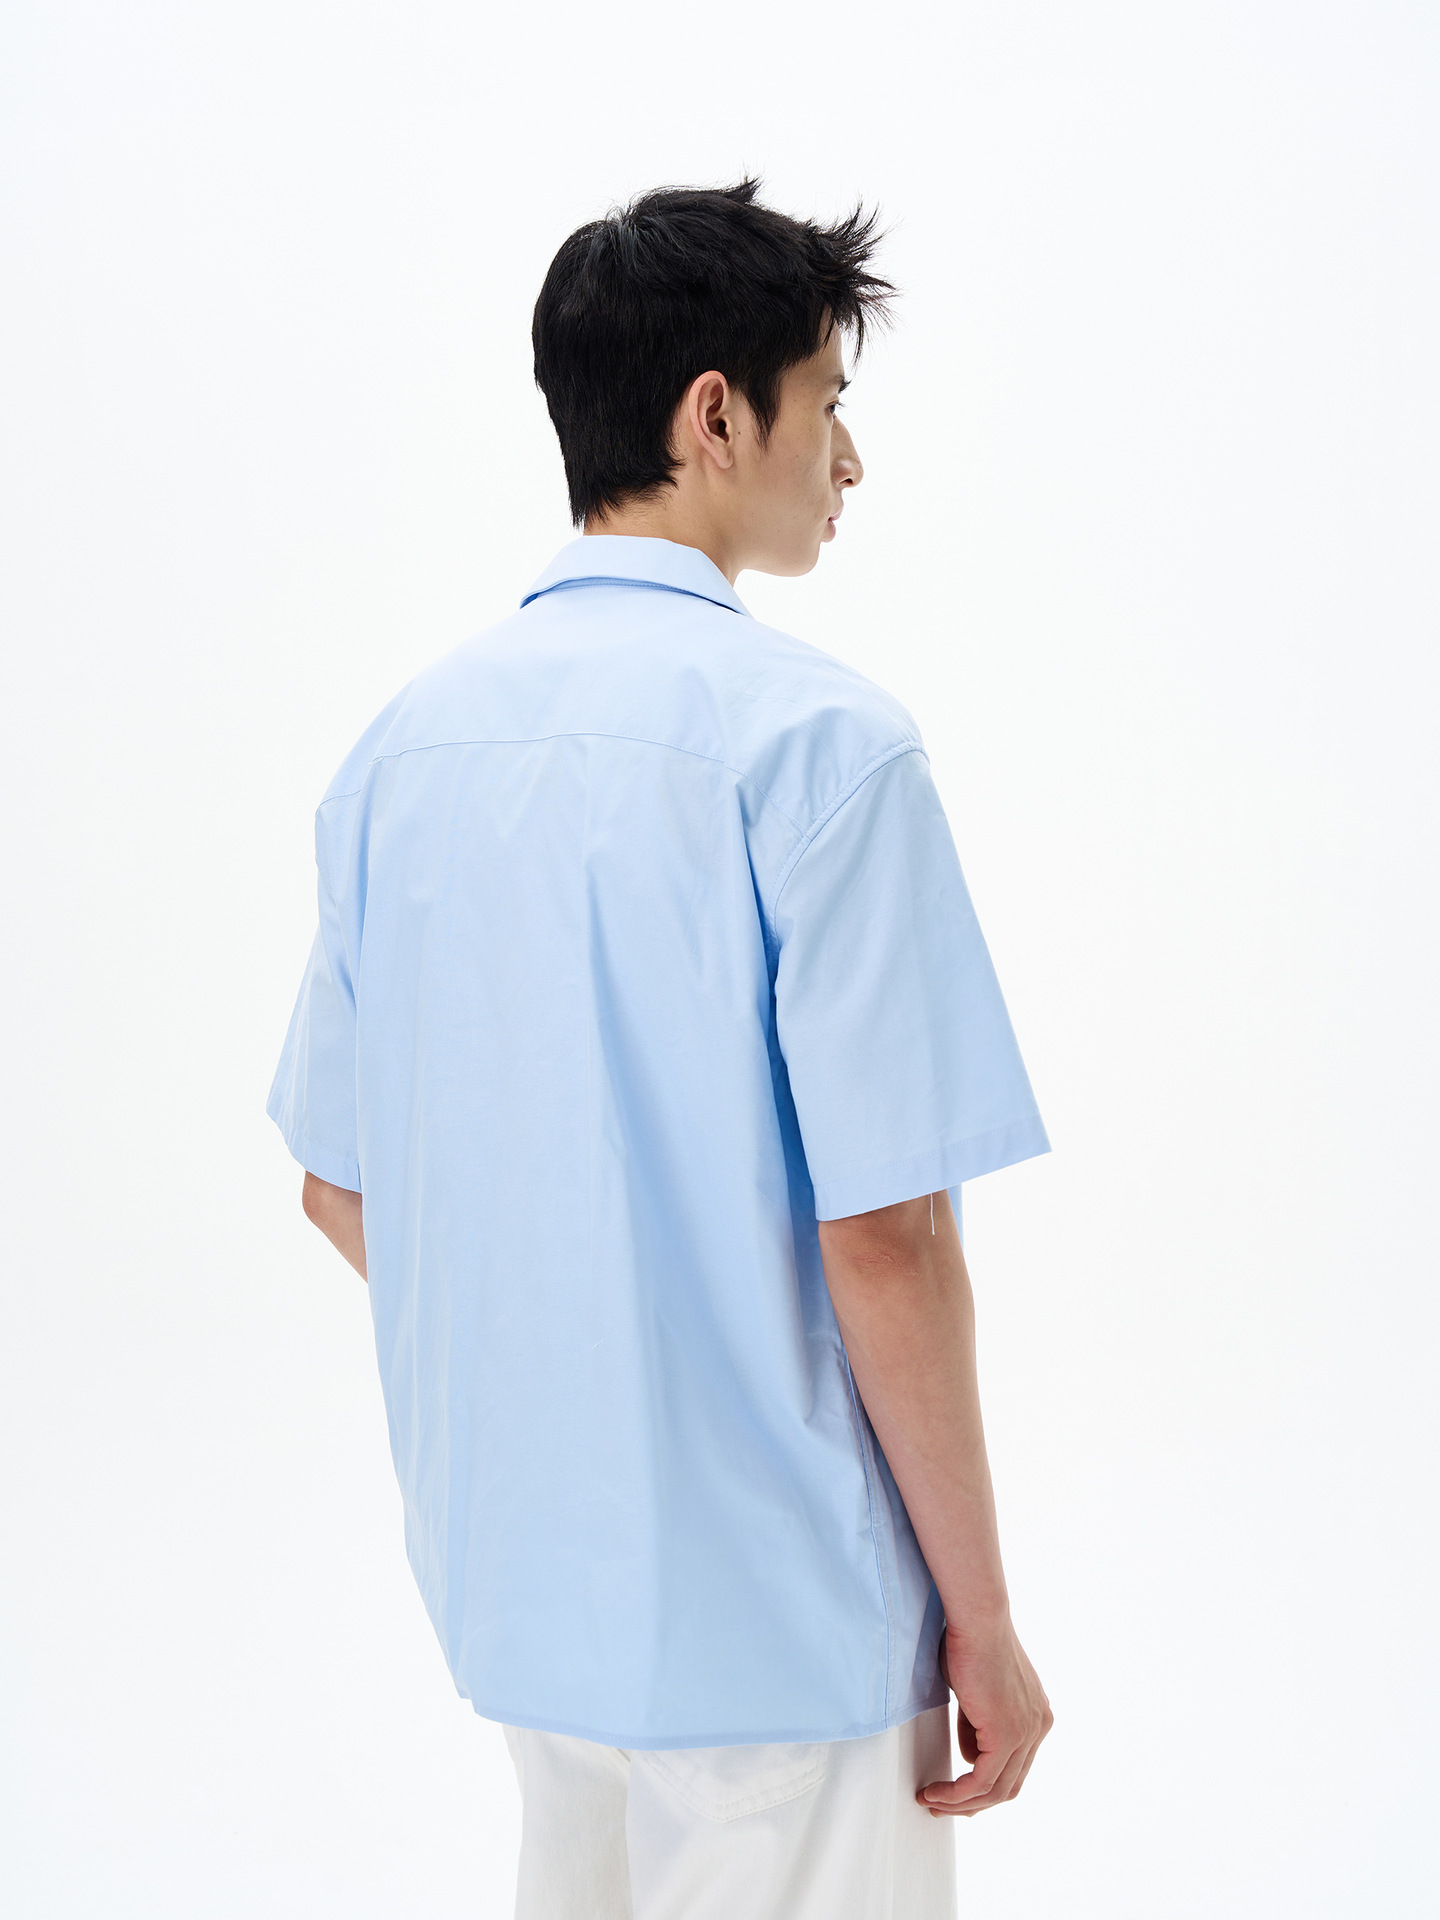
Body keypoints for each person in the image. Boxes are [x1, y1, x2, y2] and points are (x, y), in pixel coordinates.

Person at [268, 179, 1053, 1920]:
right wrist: (984, 1622)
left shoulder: (403, 753)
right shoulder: (822, 748)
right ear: (717, 415)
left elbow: (341, 1185)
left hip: (525, 1600)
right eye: (828, 400)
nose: (849, 458)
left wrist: (579, 1370)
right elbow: (887, 1232)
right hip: (789, 1620)